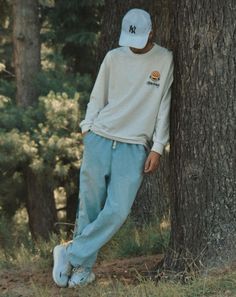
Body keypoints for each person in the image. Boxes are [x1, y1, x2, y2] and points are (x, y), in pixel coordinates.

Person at [52, 8, 173, 288]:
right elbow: (98, 95)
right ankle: (82, 268)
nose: (134, 44)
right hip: (100, 137)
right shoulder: (113, 57)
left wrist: (158, 146)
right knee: (89, 207)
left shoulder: (165, 60)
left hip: (134, 147)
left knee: (118, 210)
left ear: (151, 32)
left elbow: (164, 105)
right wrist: (87, 128)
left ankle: (69, 252)